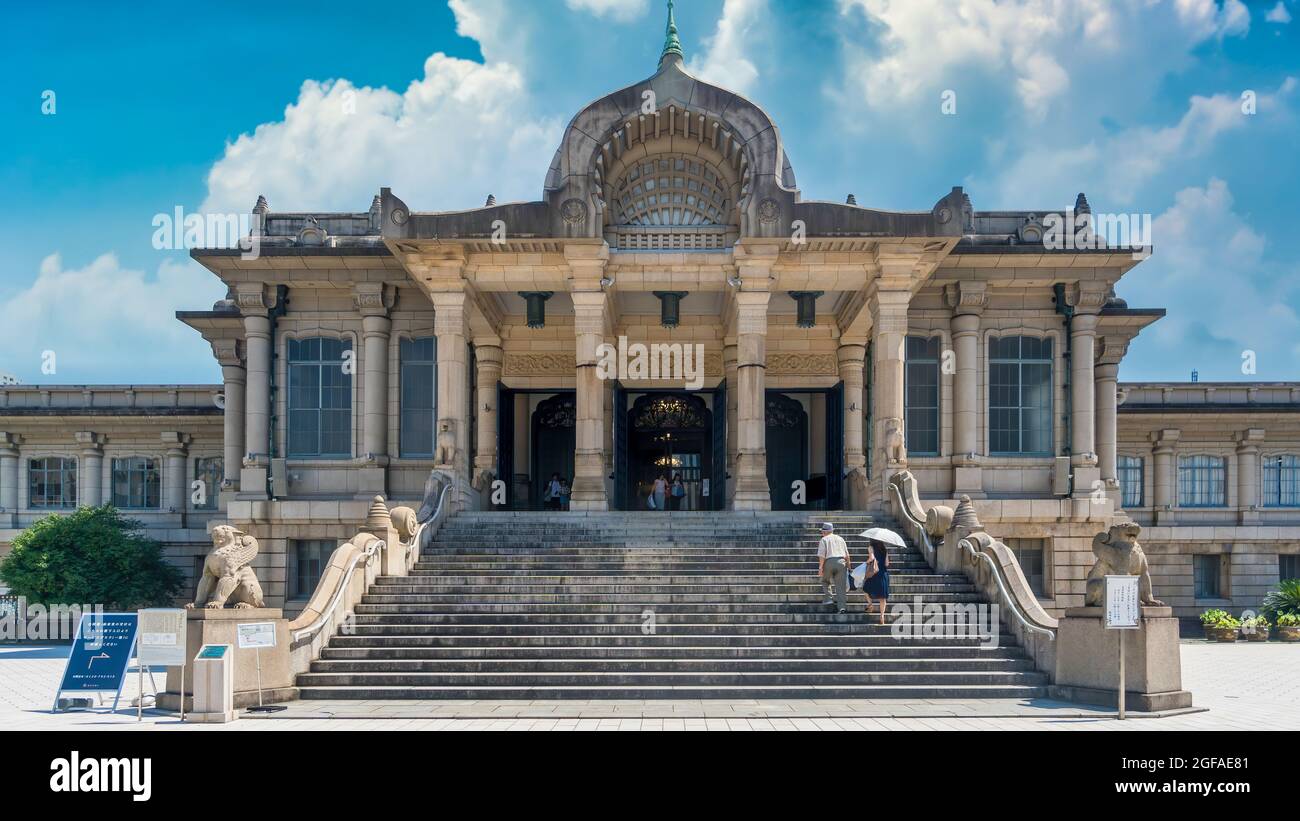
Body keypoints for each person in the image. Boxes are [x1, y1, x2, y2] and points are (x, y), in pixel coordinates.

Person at [816, 522, 851, 614]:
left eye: (822, 532)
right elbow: (847, 555)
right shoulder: (840, 539)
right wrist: (849, 566)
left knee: (825, 580)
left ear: (825, 532)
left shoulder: (824, 539)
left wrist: (820, 568)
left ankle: (829, 598)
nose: (822, 533)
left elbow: (822, 555)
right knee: (841, 586)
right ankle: (842, 607)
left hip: (829, 562)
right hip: (841, 562)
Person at [861, 538, 891, 625]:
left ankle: (870, 604)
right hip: (883, 574)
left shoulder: (871, 547)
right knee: (883, 597)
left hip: (875, 573)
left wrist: (866, 563)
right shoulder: (884, 549)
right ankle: (882, 616)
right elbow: (887, 564)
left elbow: (871, 558)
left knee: (865, 588)